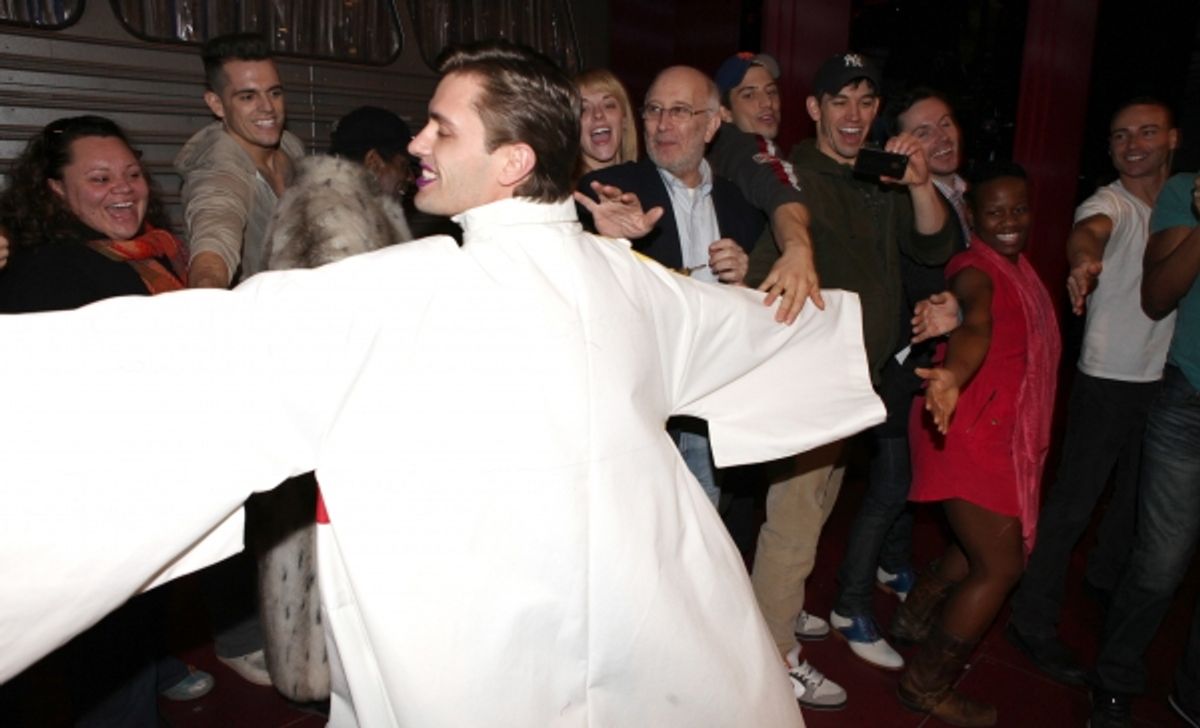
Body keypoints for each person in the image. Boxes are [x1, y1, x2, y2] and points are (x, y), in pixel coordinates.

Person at [0, 40, 887, 727]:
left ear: (512, 162)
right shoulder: (636, 282)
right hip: (650, 629)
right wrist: (834, 308)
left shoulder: (403, 290)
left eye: (441, 128)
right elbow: (773, 334)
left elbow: (204, 352)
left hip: (479, 652)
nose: (416, 141)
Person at [747, 51, 958, 706]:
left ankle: (778, 612)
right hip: (811, 381)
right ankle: (771, 654)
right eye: (840, 100)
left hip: (857, 382)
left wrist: (918, 183)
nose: (854, 114)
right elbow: (760, 276)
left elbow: (934, 247)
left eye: (866, 101)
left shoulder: (877, 173)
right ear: (814, 108)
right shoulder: (793, 180)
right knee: (794, 519)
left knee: (816, 507)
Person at [0, 114, 202, 726]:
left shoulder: (145, 254)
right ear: (55, 190)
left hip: (143, 471)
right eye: (99, 177)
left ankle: (155, 666)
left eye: (132, 174)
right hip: (93, 491)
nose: (123, 188)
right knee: (113, 636)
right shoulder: (48, 271)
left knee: (142, 607)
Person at [1007, 99, 1179, 688]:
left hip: (1166, 381)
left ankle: (1104, 586)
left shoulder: (1181, 204)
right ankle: (1030, 620)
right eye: (1121, 135)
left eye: (1147, 132)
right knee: (1072, 507)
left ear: (1173, 139)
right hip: (1109, 380)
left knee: (1134, 505)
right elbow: (1089, 232)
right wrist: (1083, 263)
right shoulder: (1112, 203)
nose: (1133, 145)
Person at [901, 162, 1059, 727]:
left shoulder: (1020, 267)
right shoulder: (975, 270)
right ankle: (924, 687)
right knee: (1001, 566)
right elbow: (976, 324)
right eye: (995, 211)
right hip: (964, 427)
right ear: (972, 216)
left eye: (1019, 209)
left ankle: (913, 619)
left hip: (993, 430)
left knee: (980, 547)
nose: (1009, 221)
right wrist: (951, 375)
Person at [826, 86, 970, 672]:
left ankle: (892, 565)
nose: (941, 137)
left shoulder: (959, 192)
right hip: (895, 364)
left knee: (909, 478)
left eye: (946, 123)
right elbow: (923, 278)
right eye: (923, 131)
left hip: (922, 365)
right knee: (889, 487)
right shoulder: (900, 198)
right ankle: (849, 606)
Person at [576, 65, 761, 509]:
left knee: (702, 521)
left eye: (679, 111)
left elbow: (764, 303)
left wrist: (747, 275)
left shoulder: (739, 204)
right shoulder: (612, 190)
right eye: (654, 110)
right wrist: (613, 241)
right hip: (638, 402)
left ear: (711, 125)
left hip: (708, 396)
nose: (662, 124)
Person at [1088, 171, 1200, 728]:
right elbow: (1155, 298)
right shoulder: (1187, 192)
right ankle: (1113, 684)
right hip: (1189, 400)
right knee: (1160, 563)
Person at [176, 32, 304, 289]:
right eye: (248, 97)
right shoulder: (219, 167)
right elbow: (214, 236)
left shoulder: (290, 146)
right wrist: (207, 296)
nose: (268, 107)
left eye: (274, 93)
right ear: (216, 104)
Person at [575, 68, 638, 174]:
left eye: (608, 105)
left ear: (624, 119)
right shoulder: (560, 185)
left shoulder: (648, 180)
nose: (598, 114)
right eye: (583, 109)